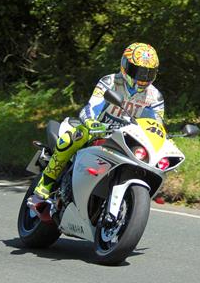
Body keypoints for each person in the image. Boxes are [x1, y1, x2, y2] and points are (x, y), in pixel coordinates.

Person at [30, 42, 164, 204]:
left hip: (127, 138)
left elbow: (156, 124)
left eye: (148, 73)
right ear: (124, 66)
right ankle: (46, 182)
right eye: (138, 71)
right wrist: (91, 122)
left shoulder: (155, 97)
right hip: (98, 130)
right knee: (73, 137)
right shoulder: (110, 82)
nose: (142, 78)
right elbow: (91, 107)